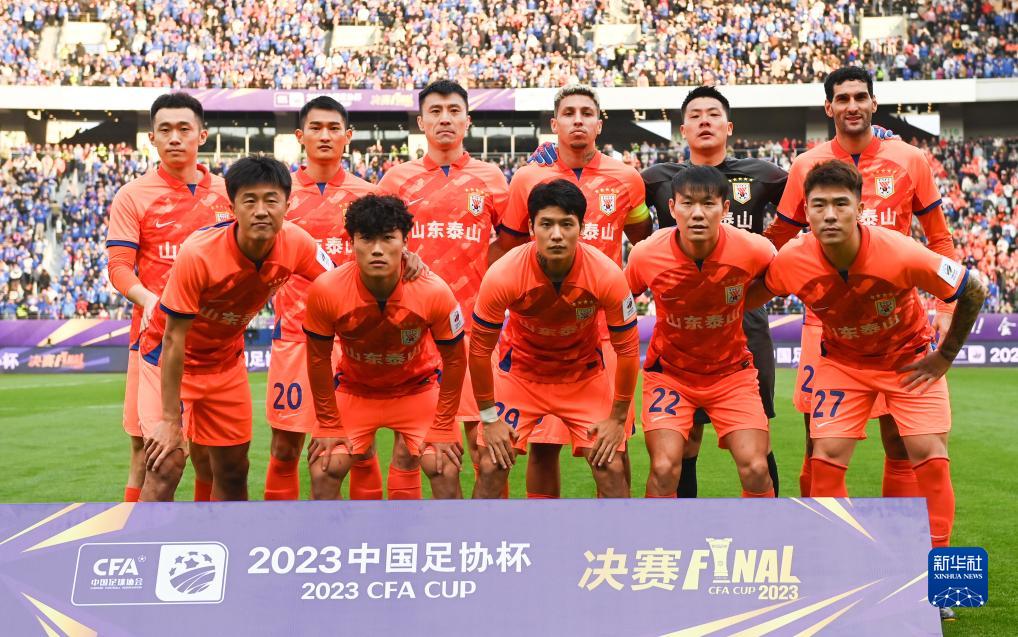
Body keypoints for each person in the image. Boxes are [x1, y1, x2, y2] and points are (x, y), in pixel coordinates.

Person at [751, 159, 985, 567]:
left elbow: (973, 289)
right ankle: (840, 565)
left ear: (860, 209)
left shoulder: (901, 252)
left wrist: (945, 355)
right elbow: (752, 294)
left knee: (929, 456)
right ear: (806, 212)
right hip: (843, 364)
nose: (830, 214)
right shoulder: (792, 260)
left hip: (909, 360)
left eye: (841, 204)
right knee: (825, 458)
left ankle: (936, 570)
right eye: (819, 205)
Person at [764, 67, 959, 499]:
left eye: (860, 97)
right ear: (828, 107)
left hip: (895, 321)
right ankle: (824, 534)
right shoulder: (806, 165)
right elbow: (777, 240)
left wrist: (946, 308)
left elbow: (940, 238)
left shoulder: (910, 158)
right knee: (818, 441)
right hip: (825, 322)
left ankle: (896, 535)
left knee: (900, 441)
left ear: (874, 103)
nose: (852, 106)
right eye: (843, 98)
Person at [138, 156, 333, 501]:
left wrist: (403, 261)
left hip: (225, 364)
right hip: (167, 360)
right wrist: (169, 420)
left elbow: (342, 282)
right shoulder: (199, 253)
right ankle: (140, 539)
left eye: (271, 200)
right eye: (249, 201)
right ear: (232, 208)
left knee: (232, 470)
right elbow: (173, 338)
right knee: (166, 463)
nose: (261, 211)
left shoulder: (298, 243)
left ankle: (227, 536)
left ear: (287, 206)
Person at [495, 84, 652, 498]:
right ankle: (544, 529)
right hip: (543, 330)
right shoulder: (528, 178)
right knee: (543, 448)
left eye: (586, 113)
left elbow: (643, 241)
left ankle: (616, 530)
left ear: (600, 124)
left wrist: (625, 289)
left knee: (613, 446)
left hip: (604, 331)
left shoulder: (627, 178)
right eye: (568, 113)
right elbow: (510, 246)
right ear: (554, 124)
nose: (578, 120)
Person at [640, 86, 784, 498]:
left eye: (713, 114)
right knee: (685, 441)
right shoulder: (657, 178)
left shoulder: (763, 174)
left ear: (729, 126)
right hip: (683, 319)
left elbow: (806, 203)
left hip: (744, 319)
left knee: (757, 440)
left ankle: (771, 525)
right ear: (682, 129)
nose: (705, 121)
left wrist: (768, 252)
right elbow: (614, 207)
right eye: (695, 115)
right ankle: (683, 527)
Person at [377, 79, 509, 498]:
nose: (445, 118)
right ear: (421, 122)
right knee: (413, 449)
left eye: (454, 110)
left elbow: (512, 244)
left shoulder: (491, 178)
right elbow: (373, 245)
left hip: (476, 331)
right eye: (435, 111)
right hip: (413, 333)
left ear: (468, 121)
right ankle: (413, 533)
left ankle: (485, 535)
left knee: (488, 448)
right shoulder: (397, 180)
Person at [470, 179, 640, 499]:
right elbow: (479, 351)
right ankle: (482, 534)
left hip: (583, 378)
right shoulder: (504, 274)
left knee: (611, 467)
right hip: (520, 376)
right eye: (546, 224)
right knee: (491, 465)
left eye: (567, 224)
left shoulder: (606, 274)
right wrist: (489, 418)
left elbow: (628, 350)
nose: (557, 234)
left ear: (582, 228)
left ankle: (617, 535)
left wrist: (618, 418)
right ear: (531, 228)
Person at [105, 92, 232, 503]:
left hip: (212, 343)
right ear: (152, 138)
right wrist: (148, 299)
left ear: (202, 135)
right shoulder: (132, 195)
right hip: (154, 339)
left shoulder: (230, 193)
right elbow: (119, 267)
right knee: (148, 450)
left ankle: (206, 528)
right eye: (165, 130)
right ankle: (135, 532)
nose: (175, 138)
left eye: (183, 129)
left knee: (209, 455)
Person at [302, 195, 467, 500]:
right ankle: (341, 533)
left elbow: (456, 361)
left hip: (417, 390)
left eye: (388, 238)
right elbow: (317, 359)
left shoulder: (433, 291)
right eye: (367, 238)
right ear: (352, 242)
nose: (377, 249)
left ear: (405, 242)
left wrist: (444, 426)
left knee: (443, 465)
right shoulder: (327, 289)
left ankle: (437, 533)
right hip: (355, 390)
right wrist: (328, 423)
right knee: (324, 467)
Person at [263, 96, 379, 501]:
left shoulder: (369, 195)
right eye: (316, 128)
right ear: (300, 135)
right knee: (284, 447)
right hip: (296, 338)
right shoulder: (279, 196)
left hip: (355, 339)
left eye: (334, 128)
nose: (325, 135)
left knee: (360, 449)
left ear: (349, 136)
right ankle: (284, 531)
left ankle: (367, 533)